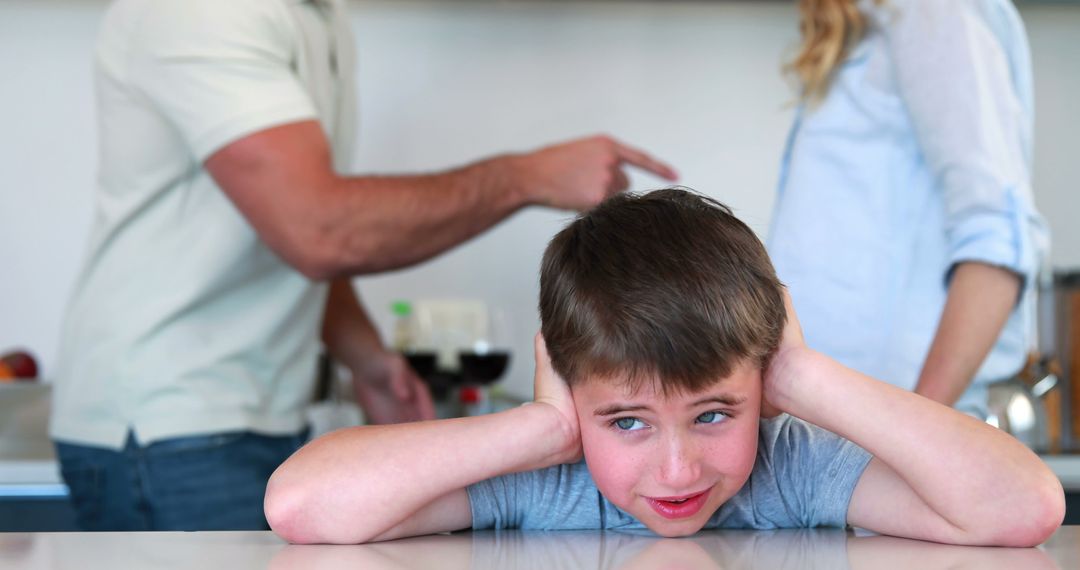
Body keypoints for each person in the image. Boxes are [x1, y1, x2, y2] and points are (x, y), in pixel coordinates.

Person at [50, 0, 676, 532]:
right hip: (168, 429)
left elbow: (277, 228)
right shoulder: (205, 11)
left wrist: (367, 359)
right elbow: (316, 229)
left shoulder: (316, 17)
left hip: (240, 416)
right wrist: (526, 177)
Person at [264, 189, 1064, 545]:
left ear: (763, 381)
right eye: (626, 421)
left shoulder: (787, 471)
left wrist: (803, 377)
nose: (677, 467)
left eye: (715, 413)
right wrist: (545, 426)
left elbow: (1021, 509)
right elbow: (302, 506)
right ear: (570, 388)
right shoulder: (546, 473)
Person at [768, 0, 1049, 416]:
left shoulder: (932, 12)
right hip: (851, 436)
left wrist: (915, 432)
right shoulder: (873, 28)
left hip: (890, 442)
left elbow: (997, 245)